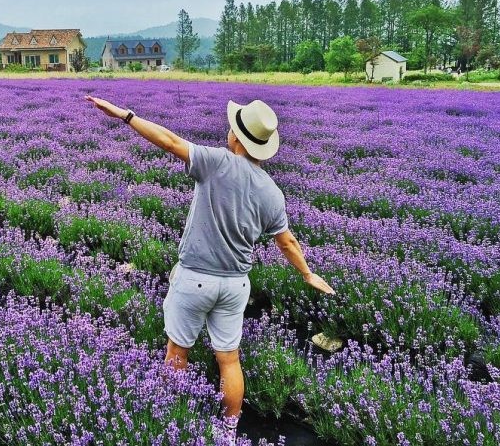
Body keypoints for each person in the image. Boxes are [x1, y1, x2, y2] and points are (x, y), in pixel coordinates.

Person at [85, 95, 335, 443]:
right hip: (235, 286)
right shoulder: (272, 193)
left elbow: (169, 141)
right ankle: (229, 432)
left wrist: (125, 115)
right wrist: (307, 274)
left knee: (177, 351)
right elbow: (287, 243)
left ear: (237, 138)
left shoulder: (216, 162)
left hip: (195, 279)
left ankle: (172, 418)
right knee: (229, 361)